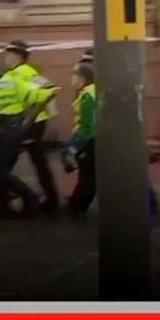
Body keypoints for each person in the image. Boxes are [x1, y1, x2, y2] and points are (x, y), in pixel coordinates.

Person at [0, 59, 56, 218]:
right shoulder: (11, 80)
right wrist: (29, 120)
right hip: (17, 129)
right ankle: (3, 206)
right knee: (3, 169)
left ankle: (29, 196)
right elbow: (45, 93)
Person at [2, 40, 61, 211]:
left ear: (18, 56)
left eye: (8, 54)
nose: (5, 58)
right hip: (33, 122)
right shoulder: (24, 72)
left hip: (28, 123)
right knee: (38, 161)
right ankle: (51, 198)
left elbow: (47, 91)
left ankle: (8, 198)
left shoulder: (21, 73)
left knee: (4, 164)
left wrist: (29, 118)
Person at [64, 62, 96, 216]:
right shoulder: (91, 91)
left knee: (87, 175)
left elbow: (87, 125)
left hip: (90, 141)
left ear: (82, 78)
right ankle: (77, 203)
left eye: (74, 75)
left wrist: (74, 146)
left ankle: (77, 205)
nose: (72, 78)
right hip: (92, 139)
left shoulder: (87, 96)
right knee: (89, 175)